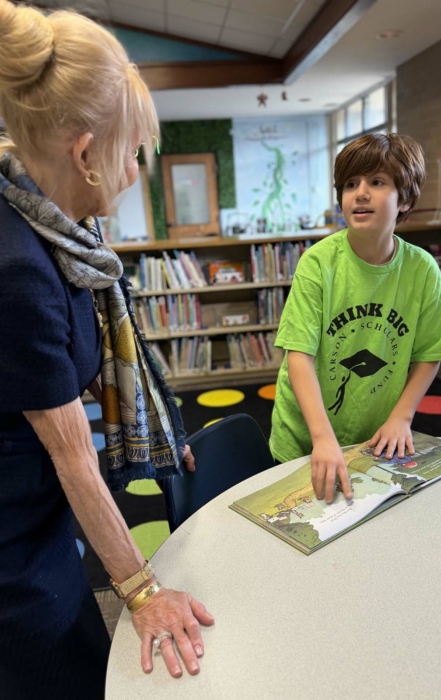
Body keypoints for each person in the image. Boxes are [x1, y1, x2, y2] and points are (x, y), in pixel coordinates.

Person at [0, 2, 214, 698]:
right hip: (11, 538)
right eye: (131, 151)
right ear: (86, 154)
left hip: (38, 509)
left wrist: (156, 426)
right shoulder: (19, 272)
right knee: (63, 670)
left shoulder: (61, 231)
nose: (135, 169)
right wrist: (144, 591)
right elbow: (73, 456)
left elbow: (73, 356)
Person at [269, 133, 441, 504]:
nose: (360, 193)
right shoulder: (318, 263)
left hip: (376, 436)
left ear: (405, 199)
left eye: (377, 182)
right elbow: (298, 356)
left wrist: (402, 417)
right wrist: (322, 437)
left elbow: (431, 353)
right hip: (306, 435)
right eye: (350, 184)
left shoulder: (422, 270)